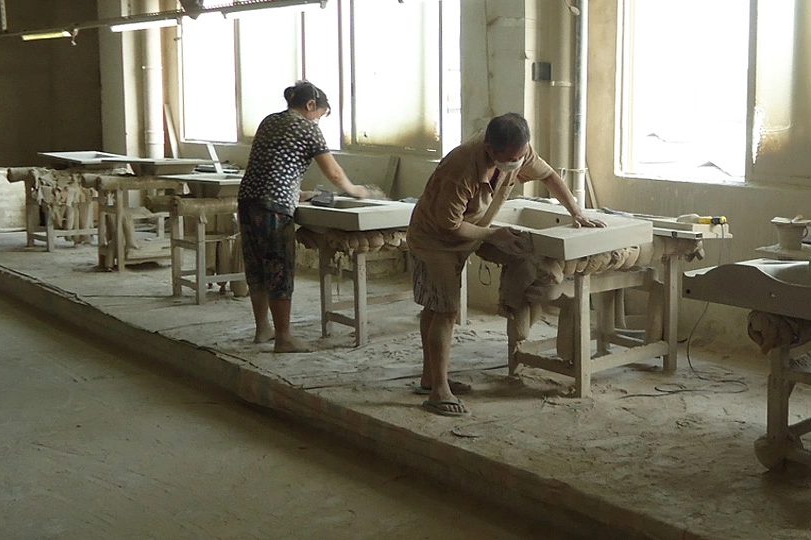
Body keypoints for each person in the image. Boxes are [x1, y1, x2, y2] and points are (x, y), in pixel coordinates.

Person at [406, 112, 605, 416]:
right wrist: (493, 235)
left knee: (439, 307)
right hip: (435, 239)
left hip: (470, 228)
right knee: (444, 310)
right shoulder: (460, 169)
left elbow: (549, 175)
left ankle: (431, 377)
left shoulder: (519, 151)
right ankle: (437, 391)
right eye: (511, 158)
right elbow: (449, 226)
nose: (518, 162)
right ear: (490, 149)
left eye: (522, 155)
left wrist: (577, 212)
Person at [237, 81, 376, 352]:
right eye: (320, 115)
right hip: (274, 207)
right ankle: (284, 337)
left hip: (248, 200)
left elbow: (273, 162)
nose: (318, 122)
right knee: (279, 268)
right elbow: (333, 172)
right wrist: (356, 190)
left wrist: (296, 191)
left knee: (257, 267)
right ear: (310, 106)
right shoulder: (305, 127)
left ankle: (263, 329)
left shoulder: (270, 121)